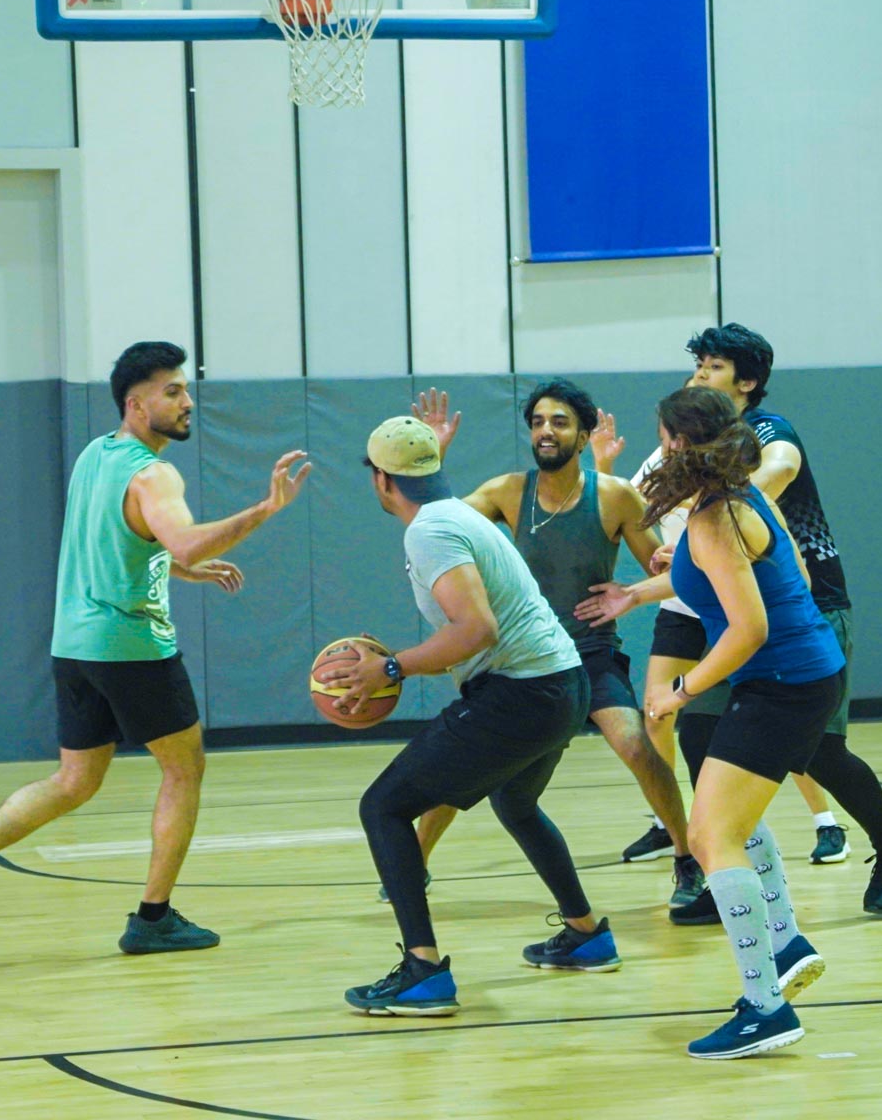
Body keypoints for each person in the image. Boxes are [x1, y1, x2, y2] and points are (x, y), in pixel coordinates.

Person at [0, 341, 310, 958]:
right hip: (132, 646)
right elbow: (183, 543)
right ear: (136, 401)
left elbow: (124, 544)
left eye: (185, 388)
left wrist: (180, 573)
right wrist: (265, 508)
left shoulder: (97, 456)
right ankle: (153, 918)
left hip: (75, 644)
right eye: (172, 391)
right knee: (185, 768)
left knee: (75, 780)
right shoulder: (155, 472)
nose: (186, 401)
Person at [593, 323, 882, 916]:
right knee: (703, 738)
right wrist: (645, 584)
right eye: (699, 365)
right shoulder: (691, 464)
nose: (699, 374)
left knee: (818, 752)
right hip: (710, 607)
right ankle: (725, 875)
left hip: (802, 613)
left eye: (714, 367)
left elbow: (778, 472)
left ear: (747, 382)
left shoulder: (761, 445)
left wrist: (717, 505)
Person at [320, 416, 618, 1017]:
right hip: (563, 683)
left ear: (381, 481)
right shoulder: (456, 514)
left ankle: (423, 972)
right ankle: (587, 935)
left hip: (523, 693)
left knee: (383, 805)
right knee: (517, 803)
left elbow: (476, 628)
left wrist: (392, 669)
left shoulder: (430, 531)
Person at [602, 386, 842, 1058]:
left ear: (680, 444)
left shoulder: (713, 519)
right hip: (798, 674)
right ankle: (787, 939)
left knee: (711, 838)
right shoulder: (735, 499)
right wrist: (654, 580)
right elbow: (779, 571)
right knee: (724, 811)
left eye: (662, 440)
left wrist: (680, 689)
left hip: (784, 683)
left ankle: (766, 1007)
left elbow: (750, 627)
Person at [399, 381, 701, 909]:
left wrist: (637, 586)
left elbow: (669, 571)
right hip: (525, 661)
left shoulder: (614, 497)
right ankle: (415, 861)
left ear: (582, 435)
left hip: (591, 654)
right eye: (538, 421)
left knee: (637, 745)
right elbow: (437, 523)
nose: (545, 430)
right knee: (468, 761)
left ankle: (686, 857)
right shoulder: (505, 492)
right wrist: (435, 455)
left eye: (559, 421)